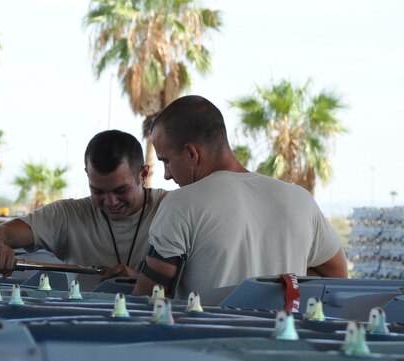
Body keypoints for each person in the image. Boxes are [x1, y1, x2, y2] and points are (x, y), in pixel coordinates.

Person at [133, 95, 347, 302]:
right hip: (282, 335)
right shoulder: (301, 200)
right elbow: (337, 278)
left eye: (166, 161)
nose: (167, 174)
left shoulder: (180, 204)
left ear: (192, 153)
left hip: (207, 337)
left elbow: (148, 300)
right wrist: (279, 283)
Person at [0, 130, 169, 290]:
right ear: (87, 174)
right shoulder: (68, 215)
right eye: (98, 191)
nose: (111, 201)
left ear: (143, 174)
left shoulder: (173, 209)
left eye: (121, 190)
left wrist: (142, 280)